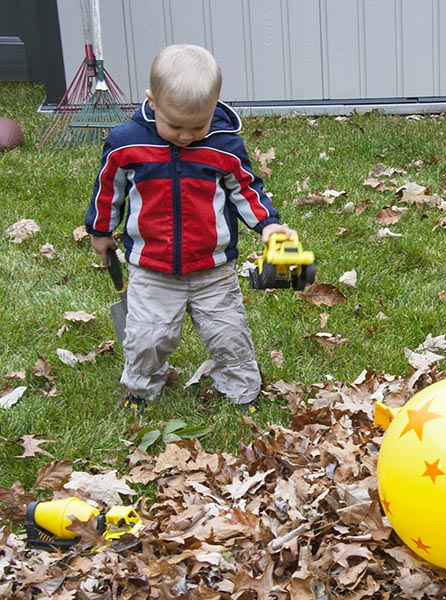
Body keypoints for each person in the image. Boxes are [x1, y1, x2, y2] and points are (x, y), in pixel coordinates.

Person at [85, 44, 296, 413]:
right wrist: (100, 231)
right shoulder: (125, 143)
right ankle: (141, 389)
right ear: (152, 102)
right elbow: (108, 190)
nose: (185, 136)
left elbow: (246, 189)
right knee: (148, 338)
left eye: (198, 126)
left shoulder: (224, 145)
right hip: (151, 267)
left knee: (229, 335)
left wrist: (268, 224)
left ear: (214, 108)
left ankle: (241, 392)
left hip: (213, 269)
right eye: (175, 126)